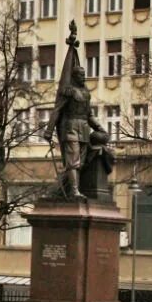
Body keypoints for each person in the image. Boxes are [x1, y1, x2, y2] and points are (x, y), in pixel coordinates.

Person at [44, 22, 108, 199]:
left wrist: (100, 128)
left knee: (79, 164)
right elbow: (57, 110)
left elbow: (89, 115)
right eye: (80, 75)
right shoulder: (69, 91)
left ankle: (67, 189)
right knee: (73, 162)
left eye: (84, 75)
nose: (83, 77)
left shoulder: (86, 93)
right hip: (70, 128)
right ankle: (74, 191)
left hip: (84, 129)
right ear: (73, 76)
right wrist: (49, 130)